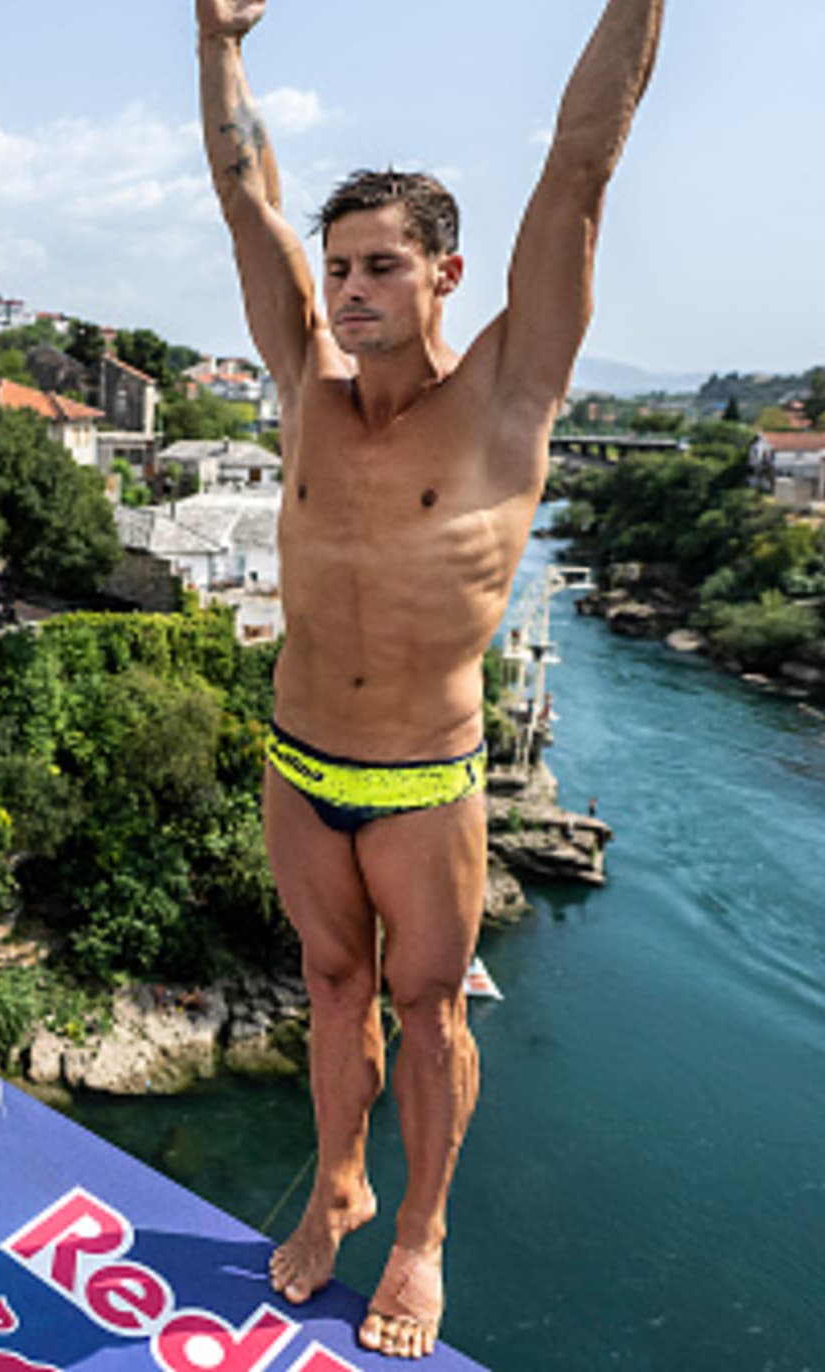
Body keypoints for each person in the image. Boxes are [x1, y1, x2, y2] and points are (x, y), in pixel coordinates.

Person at [197, 0, 663, 1358]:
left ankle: (419, 1234)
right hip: (297, 762)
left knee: (431, 1006)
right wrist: (219, 34)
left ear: (444, 274)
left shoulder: (513, 393)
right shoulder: (305, 386)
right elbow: (244, 198)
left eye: (383, 267)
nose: (349, 289)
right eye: (341, 266)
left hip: (420, 782)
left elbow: (582, 163)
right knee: (330, 989)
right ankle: (339, 1187)